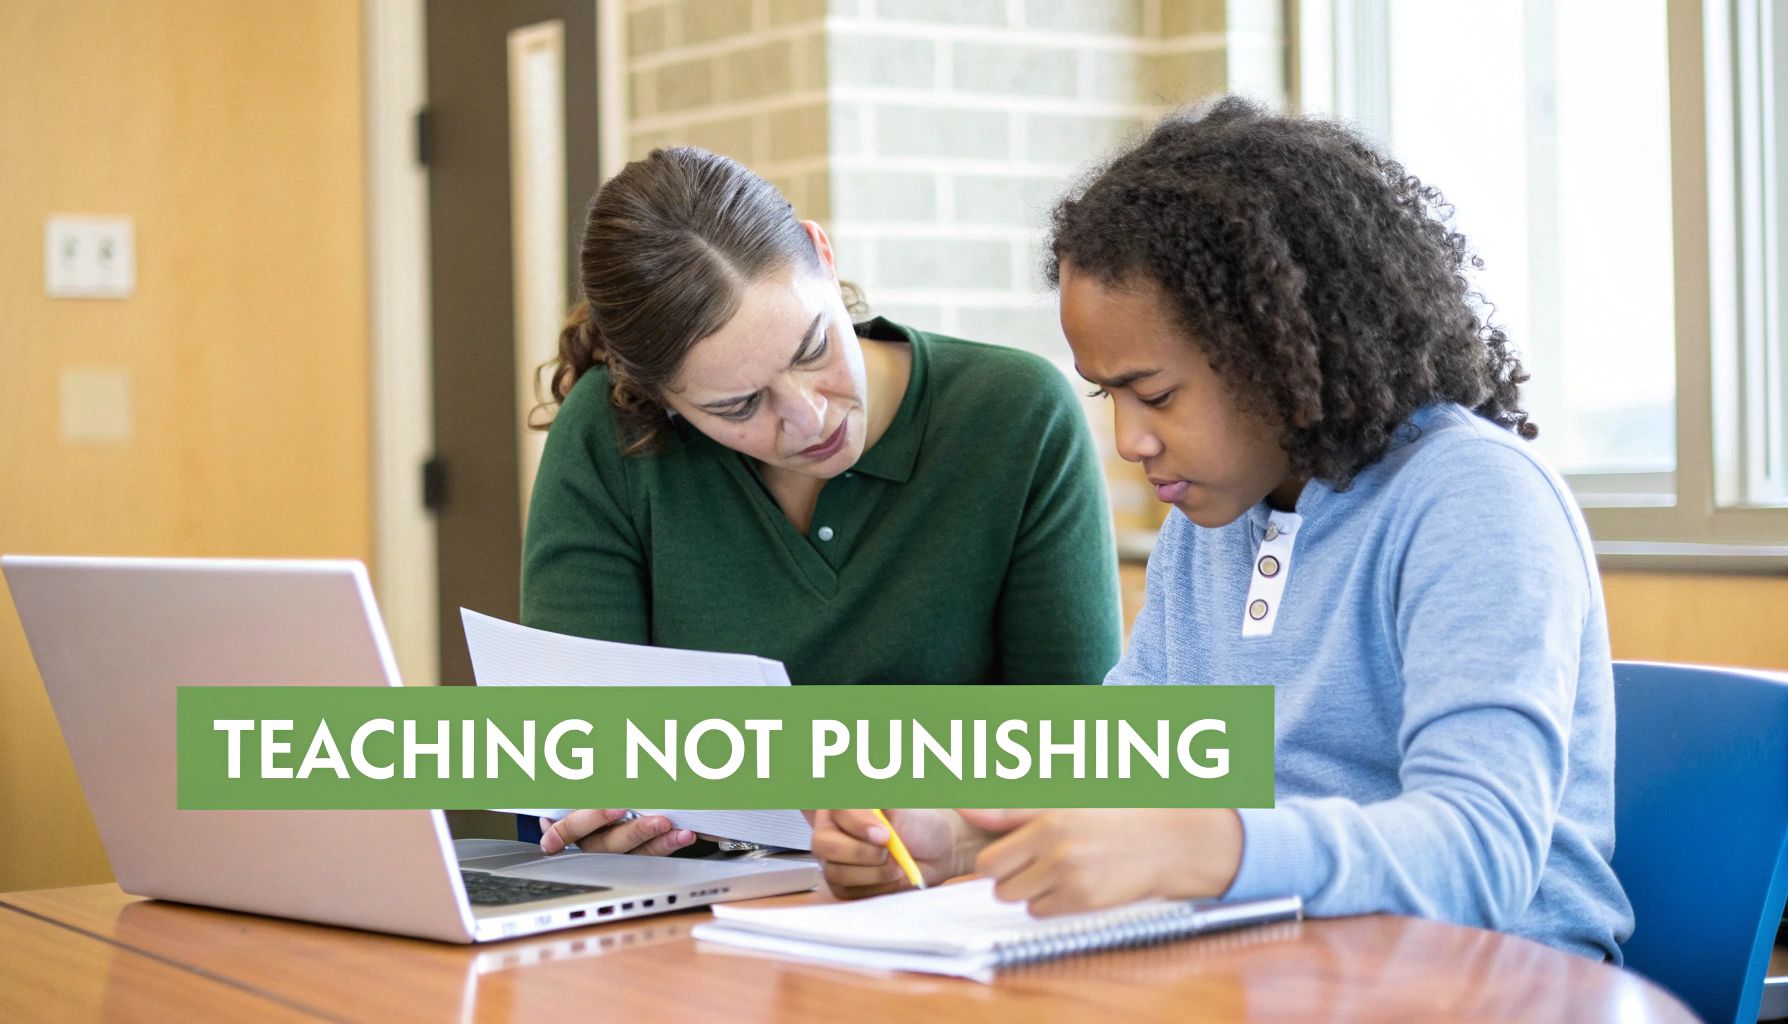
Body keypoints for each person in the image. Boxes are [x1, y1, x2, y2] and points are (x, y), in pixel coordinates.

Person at [812, 97, 1635, 962]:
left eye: (1156, 394)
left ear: (1285, 348)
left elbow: (1483, 853)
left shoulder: (1473, 498)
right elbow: (1131, 763)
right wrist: (962, 838)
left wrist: (1214, 847)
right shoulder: (1216, 516)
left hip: (1499, 986)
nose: (1129, 441)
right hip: (1267, 971)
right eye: (1108, 395)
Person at [523, 147, 1121, 856]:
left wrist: (947, 835)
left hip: (950, 905)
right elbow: (577, 754)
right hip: (688, 917)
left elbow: (1084, 764)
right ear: (658, 396)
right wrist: (599, 823)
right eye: (740, 404)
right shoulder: (608, 431)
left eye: (813, 347)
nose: (810, 418)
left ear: (822, 255)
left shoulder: (1016, 416)